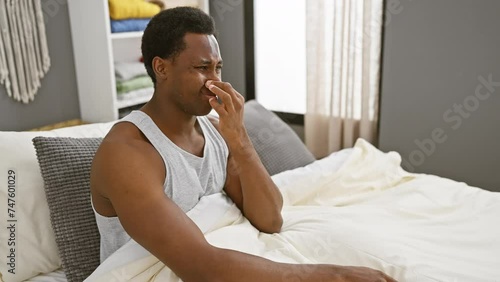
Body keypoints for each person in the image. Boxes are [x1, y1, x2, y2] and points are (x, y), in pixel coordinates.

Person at [90, 6, 396, 282]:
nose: (215, 82)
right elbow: (199, 267)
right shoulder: (127, 153)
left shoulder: (212, 131)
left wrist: (240, 141)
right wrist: (330, 275)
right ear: (161, 68)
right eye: (201, 68)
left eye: (218, 68)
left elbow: (270, 220)